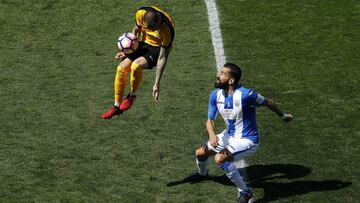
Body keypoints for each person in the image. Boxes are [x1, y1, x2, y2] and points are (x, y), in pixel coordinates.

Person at [186, 63, 293, 203]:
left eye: (222, 73)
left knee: (220, 159)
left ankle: (246, 192)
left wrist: (283, 116)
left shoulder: (246, 95)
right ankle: (202, 174)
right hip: (228, 136)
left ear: (231, 80)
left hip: (247, 140)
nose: (217, 75)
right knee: (199, 153)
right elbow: (209, 120)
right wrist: (212, 135)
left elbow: (268, 103)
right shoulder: (215, 95)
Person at [102, 6, 175, 119]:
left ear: (158, 25)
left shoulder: (167, 30)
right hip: (144, 43)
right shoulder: (141, 14)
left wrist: (156, 83)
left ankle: (131, 96)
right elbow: (136, 30)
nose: (149, 31)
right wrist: (129, 51)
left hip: (158, 49)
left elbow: (162, 57)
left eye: (153, 30)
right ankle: (116, 107)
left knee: (136, 66)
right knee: (121, 68)